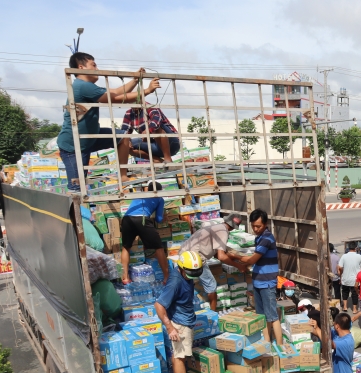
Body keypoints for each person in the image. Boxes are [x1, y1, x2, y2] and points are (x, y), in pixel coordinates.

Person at [58, 53, 160, 191]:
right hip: (73, 146)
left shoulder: (86, 86)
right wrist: (147, 90)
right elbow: (117, 98)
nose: (97, 69)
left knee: (122, 137)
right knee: (77, 188)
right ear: (81, 68)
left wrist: (135, 80)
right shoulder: (82, 86)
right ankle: (73, 211)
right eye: (93, 65)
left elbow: (117, 92)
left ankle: (123, 176)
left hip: (89, 138)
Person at [155, 251, 206, 373]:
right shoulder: (175, 282)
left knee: (178, 354)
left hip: (186, 320)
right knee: (180, 357)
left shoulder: (185, 275)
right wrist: (170, 328)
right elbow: (159, 305)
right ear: (181, 268)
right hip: (179, 324)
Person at [230, 209, 282, 344]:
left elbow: (252, 260)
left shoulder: (266, 239)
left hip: (267, 282)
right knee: (262, 316)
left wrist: (234, 255)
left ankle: (281, 346)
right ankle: (267, 343)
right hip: (258, 281)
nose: (255, 229)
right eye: (253, 226)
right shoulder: (259, 238)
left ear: (265, 224)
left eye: (258, 226)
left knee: (272, 316)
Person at [180, 214, 248, 312]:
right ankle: (213, 313)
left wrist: (236, 257)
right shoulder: (223, 232)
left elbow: (217, 254)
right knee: (211, 286)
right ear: (234, 228)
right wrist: (239, 266)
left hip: (184, 255)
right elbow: (221, 256)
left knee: (186, 282)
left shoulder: (215, 227)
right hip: (195, 258)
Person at [121, 181, 169, 284]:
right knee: (159, 247)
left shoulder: (140, 194)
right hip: (141, 220)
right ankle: (167, 277)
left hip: (127, 219)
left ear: (148, 188)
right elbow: (159, 219)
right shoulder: (159, 198)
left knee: (126, 247)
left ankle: (125, 278)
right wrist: (164, 218)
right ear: (159, 191)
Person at [338, 242, 361, 313]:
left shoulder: (344, 256)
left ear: (348, 248)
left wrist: (341, 276)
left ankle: (345, 307)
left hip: (345, 278)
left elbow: (340, 267)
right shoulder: (359, 256)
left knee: (345, 292)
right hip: (355, 279)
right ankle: (354, 309)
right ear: (355, 248)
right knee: (355, 294)